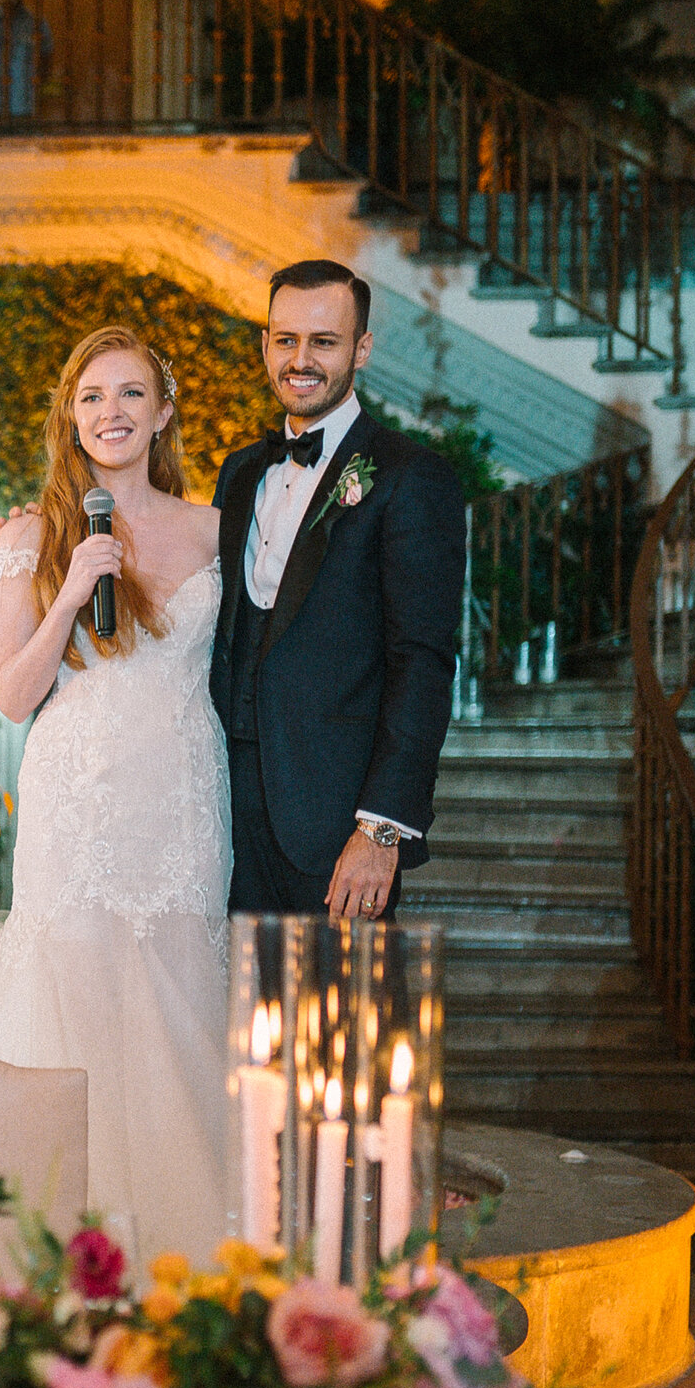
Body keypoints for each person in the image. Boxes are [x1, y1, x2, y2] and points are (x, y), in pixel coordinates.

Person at [0, 324, 233, 1263]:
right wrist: (69, 588)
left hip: (184, 793)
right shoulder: (33, 534)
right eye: (92, 397)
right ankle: (52, 1242)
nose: (111, 413)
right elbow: (14, 694)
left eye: (130, 394)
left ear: (162, 412)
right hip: (76, 798)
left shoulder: (214, 527)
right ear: (70, 417)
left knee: (180, 992)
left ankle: (184, 1237)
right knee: (72, 984)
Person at [209, 260, 466, 919]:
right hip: (221, 821)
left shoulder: (411, 478)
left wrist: (382, 828)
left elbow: (423, 662)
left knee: (340, 1021)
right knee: (237, 1020)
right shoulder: (239, 473)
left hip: (335, 828)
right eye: (285, 339)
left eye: (323, 341)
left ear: (362, 349)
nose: (301, 359)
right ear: (266, 344)